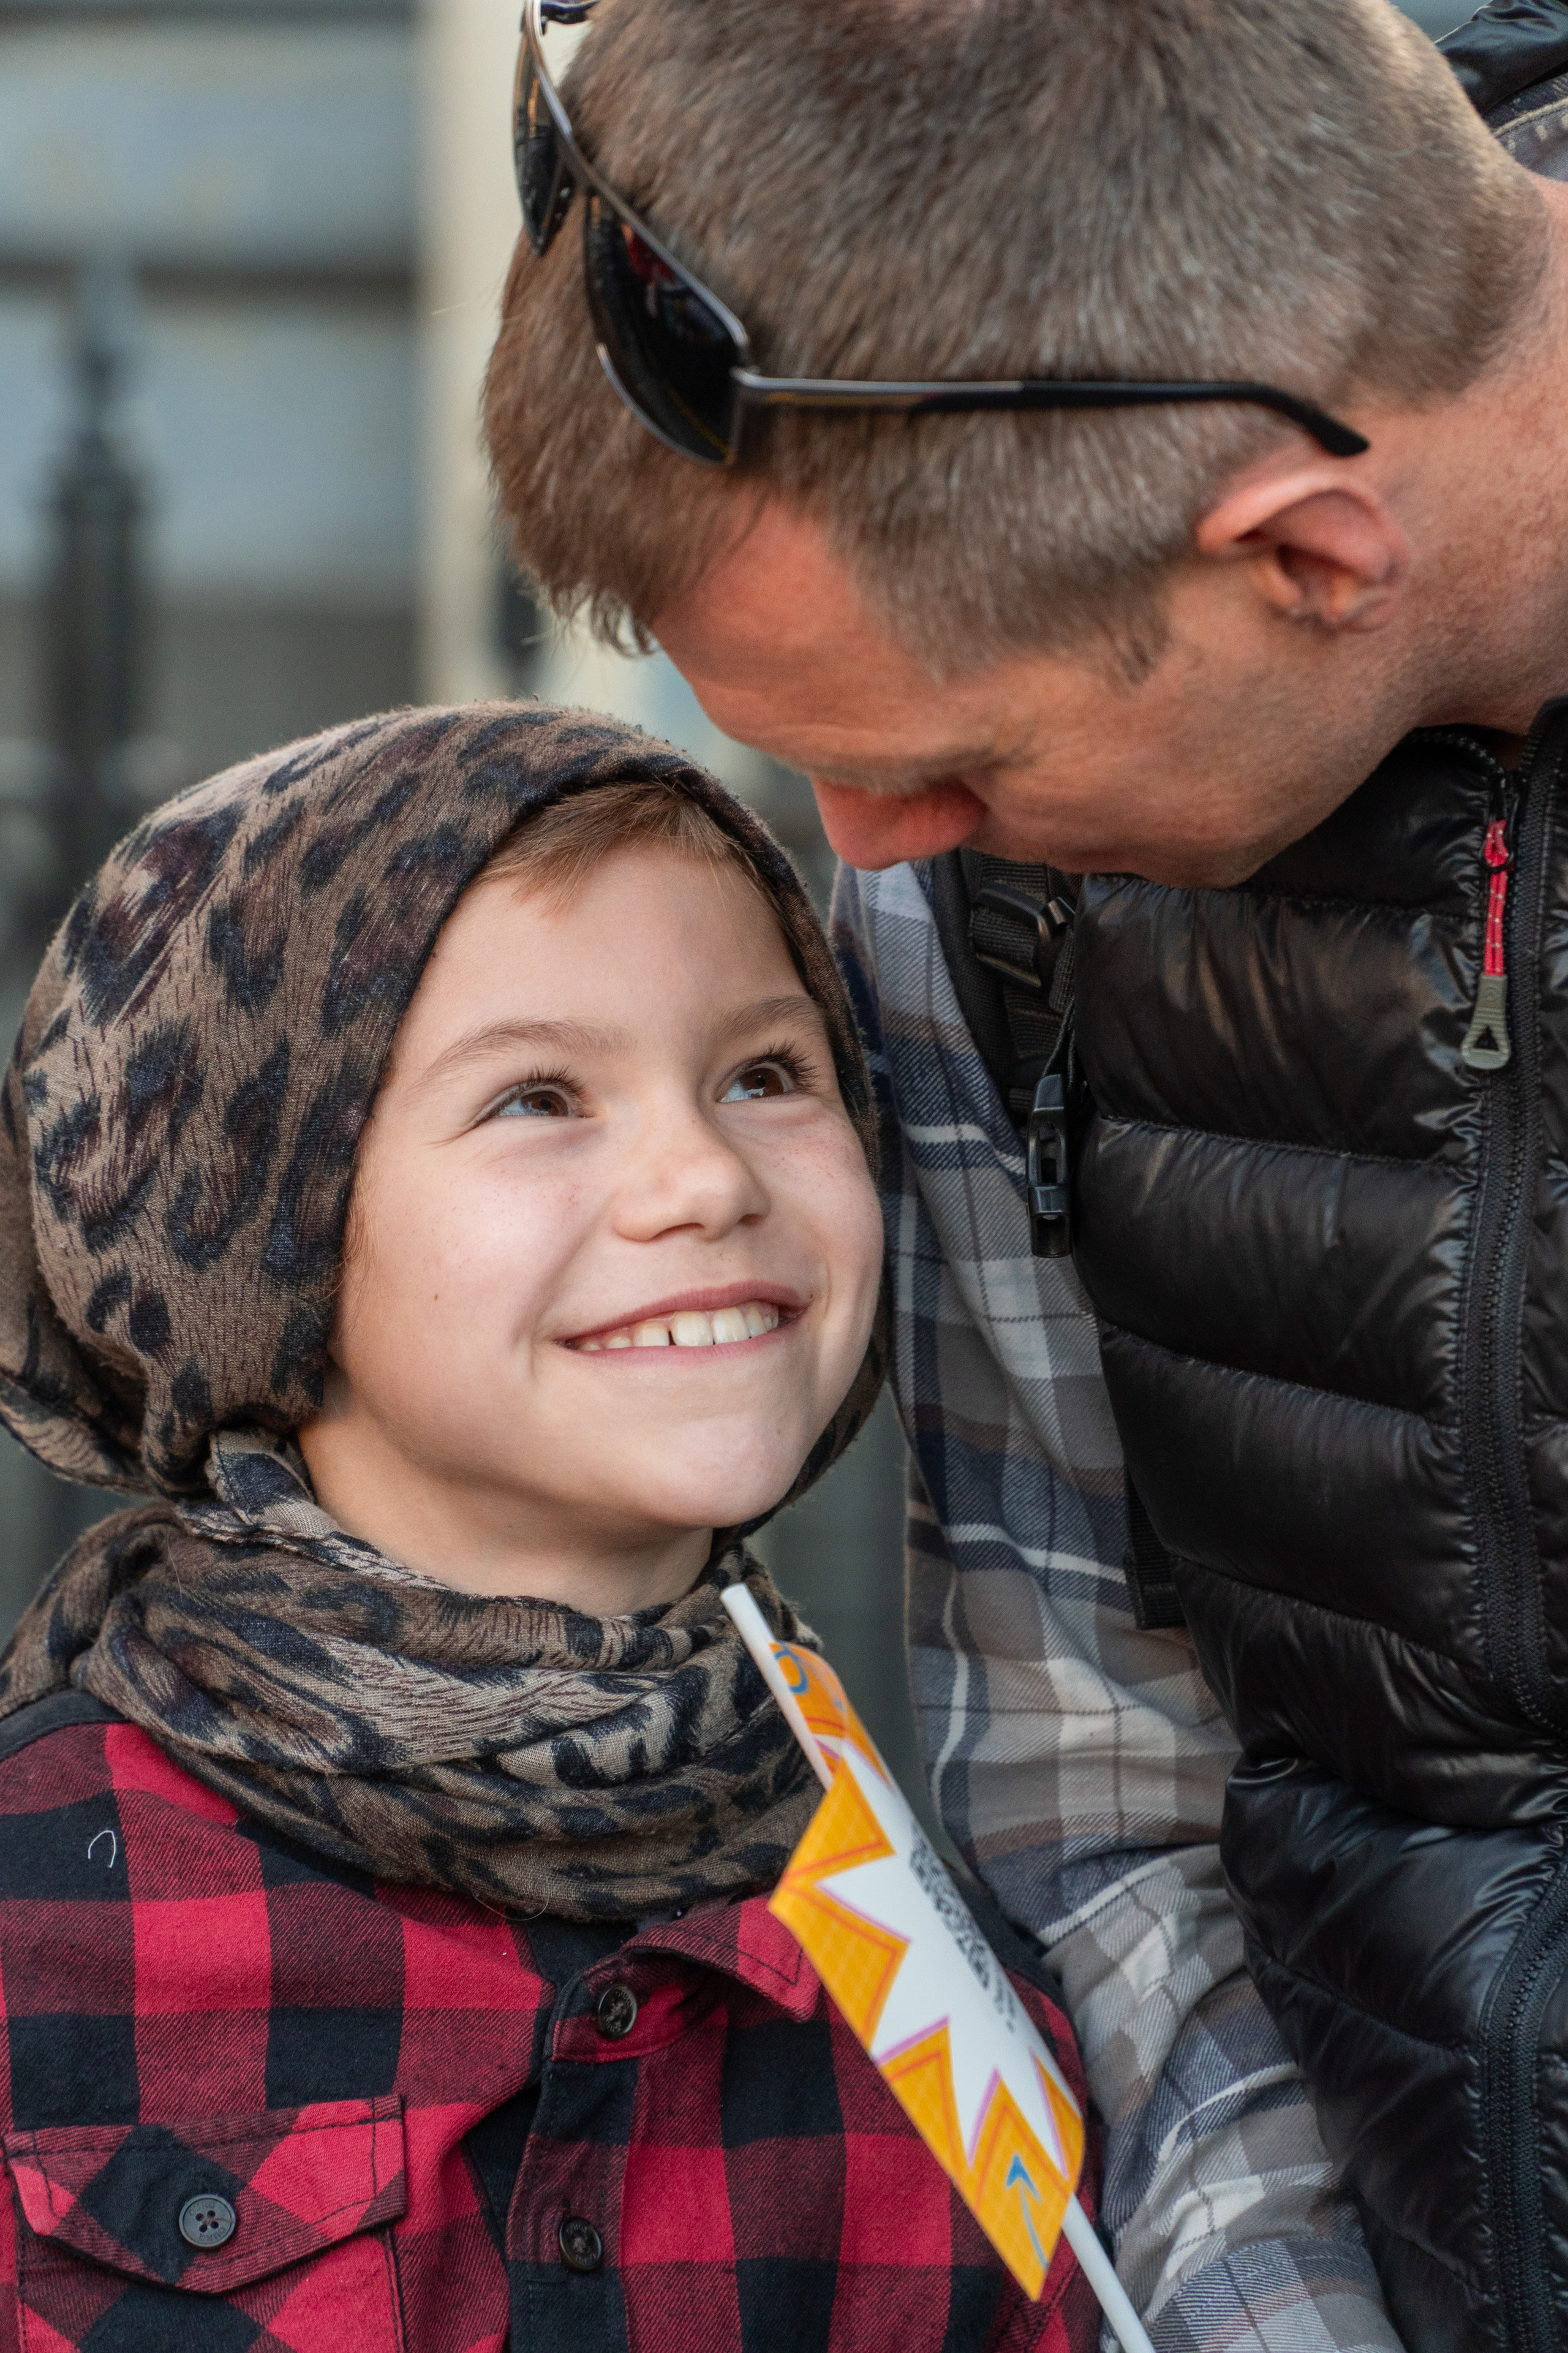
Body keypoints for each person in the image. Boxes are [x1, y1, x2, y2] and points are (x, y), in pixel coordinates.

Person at [481, 1, 1568, 2347]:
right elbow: (1099, 1780)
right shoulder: (980, 879)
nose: (867, 862)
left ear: (1305, 554)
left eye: (950, 767)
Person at [0, 704, 1101, 2353]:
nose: (704, 1176)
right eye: (535, 1096)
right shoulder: (43, 1920)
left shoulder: (921, 1926)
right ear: (260, 1235)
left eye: (766, 1072)